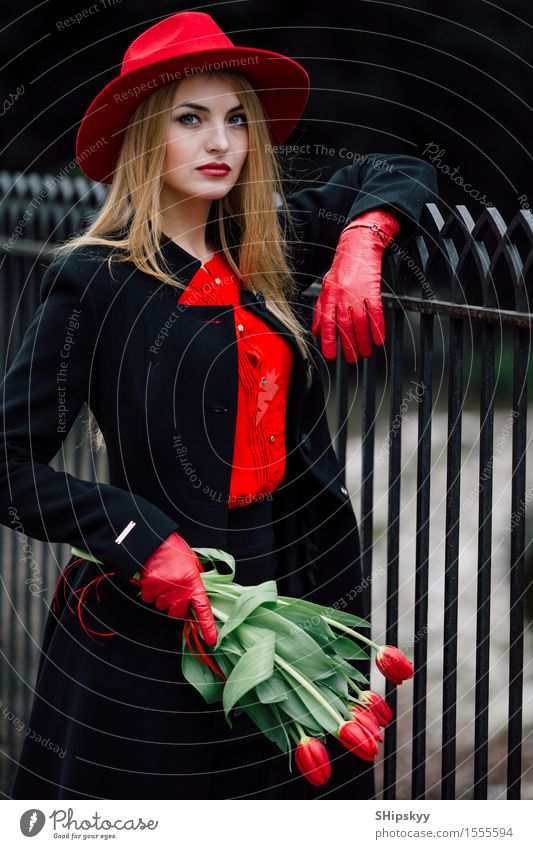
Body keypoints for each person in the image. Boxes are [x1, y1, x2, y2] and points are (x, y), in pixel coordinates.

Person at [0, 11, 437, 799]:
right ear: (144, 139)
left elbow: (397, 165)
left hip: (285, 598)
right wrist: (136, 533)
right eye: (191, 120)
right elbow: (7, 462)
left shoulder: (269, 247)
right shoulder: (95, 281)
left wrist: (362, 241)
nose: (221, 143)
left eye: (236, 120)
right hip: (148, 611)